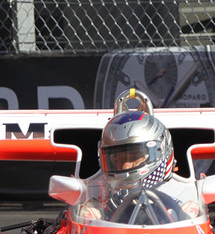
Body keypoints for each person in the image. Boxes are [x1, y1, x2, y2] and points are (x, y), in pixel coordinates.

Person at [79, 89, 201, 224]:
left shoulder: (185, 209)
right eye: (117, 160)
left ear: (160, 151)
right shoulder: (96, 210)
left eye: (134, 157)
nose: (125, 165)